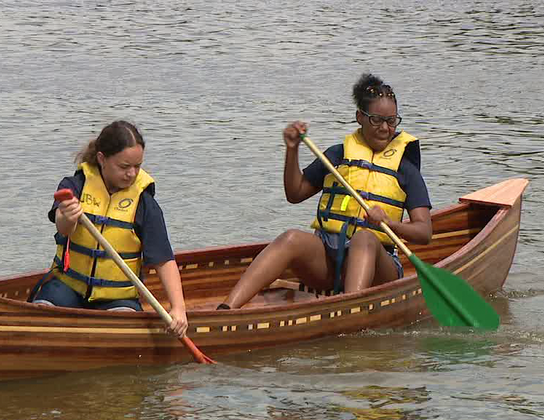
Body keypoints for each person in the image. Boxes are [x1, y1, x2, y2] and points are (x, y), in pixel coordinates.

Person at [218, 73, 432, 309]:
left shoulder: (405, 168)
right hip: (330, 263)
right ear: (360, 117)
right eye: (376, 120)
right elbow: (295, 193)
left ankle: (349, 314)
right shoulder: (337, 156)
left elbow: (424, 233)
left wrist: (389, 224)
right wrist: (292, 150)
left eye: (391, 121)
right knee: (291, 238)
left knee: (364, 238)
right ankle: (227, 309)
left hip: (379, 269)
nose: (385, 128)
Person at [31, 120, 189, 338]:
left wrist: (178, 308)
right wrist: (68, 216)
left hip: (116, 299)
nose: (132, 174)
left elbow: (164, 259)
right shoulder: (74, 186)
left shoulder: (144, 203)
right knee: (42, 314)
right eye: (124, 167)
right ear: (102, 159)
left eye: (137, 166)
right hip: (68, 288)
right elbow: (63, 228)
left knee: (123, 328)